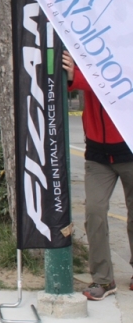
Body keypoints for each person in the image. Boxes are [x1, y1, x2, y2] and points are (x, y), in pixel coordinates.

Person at [63, 50, 133, 301]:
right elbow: (91, 79)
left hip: (130, 152)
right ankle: (104, 280)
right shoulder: (91, 48)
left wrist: (78, 76)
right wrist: (73, 74)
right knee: (94, 213)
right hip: (98, 156)